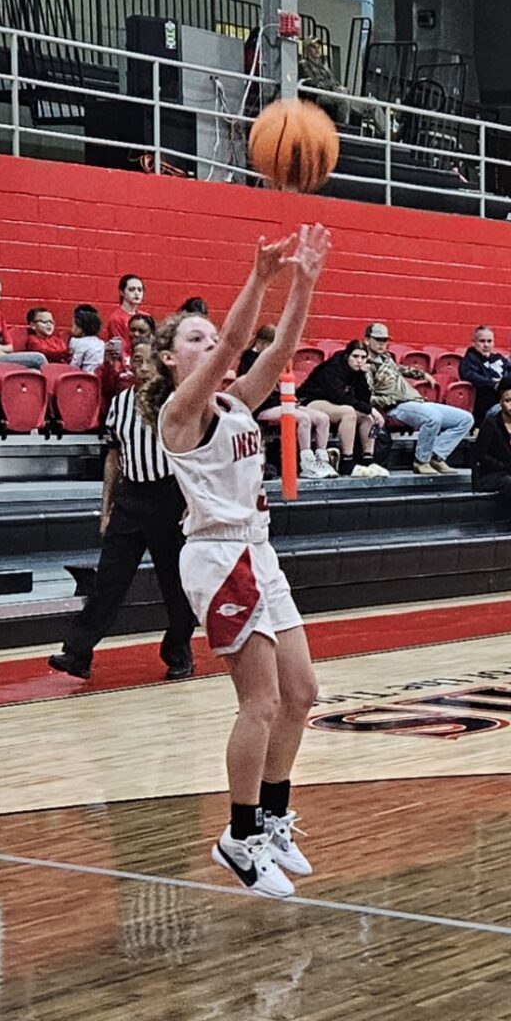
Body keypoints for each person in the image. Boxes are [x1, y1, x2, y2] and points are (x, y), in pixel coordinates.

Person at [139, 223, 331, 898]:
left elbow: (278, 348)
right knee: (260, 701)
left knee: (301, 693)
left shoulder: (232, 401)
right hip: (219, 557)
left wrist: (302, 284)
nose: (207, 341)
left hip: (258, 547)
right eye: (191, 336)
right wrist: (259, 278)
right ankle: (239, 837)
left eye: (206, 334)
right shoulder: (179, 412)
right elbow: (234, 344)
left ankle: (273, 816)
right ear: (166, 360)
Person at [49, 337, 195, 682]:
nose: (141, 368)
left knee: (175, 584)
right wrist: (106, 508)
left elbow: (190, 455)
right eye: (137, 361)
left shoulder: (175, 401)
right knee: (108, 580)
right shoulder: (119, 404)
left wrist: (192, 500)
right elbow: (113, 458)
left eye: (148, 362)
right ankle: (78, 652)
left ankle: (179, 652)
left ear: (160, 365)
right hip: (131, 498)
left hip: (169, 495)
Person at [365, 322, 474, 474]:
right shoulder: (365, 365)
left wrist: (422, 374)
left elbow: (399, 369)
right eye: (378, 339)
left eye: (385, 340)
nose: (382, 343)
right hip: (396, 407)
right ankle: (421, 461)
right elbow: (367, 396)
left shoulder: (386, 358)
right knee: (432, 417)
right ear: (367, 340)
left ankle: (436, 456)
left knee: (465, 419)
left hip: (414, 401)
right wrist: (392, 400)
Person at [239, 325, 338, 479]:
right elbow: (256, 390)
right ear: (261, 343)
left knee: (322, 418)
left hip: (279, 401)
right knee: (303, 418)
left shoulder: (272, 361)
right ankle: (306, 463)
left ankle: (321, 459)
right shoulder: (249, 361)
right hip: (261, 406)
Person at [297, 339, 389, 477]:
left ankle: (368, 460)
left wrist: (361, 375)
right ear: (347, 356)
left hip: (334, 404)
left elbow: (363, 398)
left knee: (367, 417)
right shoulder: (333, 367)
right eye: (355, 356)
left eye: (363, 357)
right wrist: (370, 409)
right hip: (311, 402)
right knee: (349, 412)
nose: (359, 360)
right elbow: (338, 396)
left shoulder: (356, 371)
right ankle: (347, 462)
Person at [458, 325, 511, 424]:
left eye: (489, 341)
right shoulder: (469, 361)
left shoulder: (498, 358)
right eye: (482, 341)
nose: (486, 345)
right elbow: (472, 377)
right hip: (488, 410)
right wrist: (494, 383)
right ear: (473, 343)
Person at [298, 37, 349, 126]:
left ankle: (381, 132)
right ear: (307, 49)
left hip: (332, 94)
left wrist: (339, 88)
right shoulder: (304, 65)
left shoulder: (324, 67)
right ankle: (343, 130)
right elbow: (313, 83)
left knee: (370, 103)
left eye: (319, 47)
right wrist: (331, 86)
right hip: (318, 96)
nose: (317, 50)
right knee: (343, 101)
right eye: (313, 47)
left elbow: (335, 82)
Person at [473, 379, 511, 496]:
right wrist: (504, 466)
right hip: (490, 475)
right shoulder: (491, 424)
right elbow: (480, 455)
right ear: (500, 402)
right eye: (508, 401)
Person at [105, 274, 145, 358]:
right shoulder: (116, 318)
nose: (137, 293)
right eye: (131, 289)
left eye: (140, 290)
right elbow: (120, 349)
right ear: (121, 292)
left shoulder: (144, 317)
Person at [68, 304, 105, 374]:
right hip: (98, 376)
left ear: (80, 328)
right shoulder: (101, 342)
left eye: (73, 324)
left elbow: (74, 365)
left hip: (85, 376)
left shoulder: (78, 343)